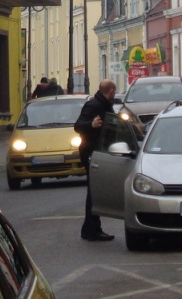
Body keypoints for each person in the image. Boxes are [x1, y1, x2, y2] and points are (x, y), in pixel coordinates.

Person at [74, 79, 117, 241]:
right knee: (94, 192)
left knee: (94, 191)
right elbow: (78, 126)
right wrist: (91, 124)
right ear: (111, 92)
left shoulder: (104, 104)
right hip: (91, 153)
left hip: (98, 152)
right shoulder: (94, 105)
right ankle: (91, 230)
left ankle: (90, 228)